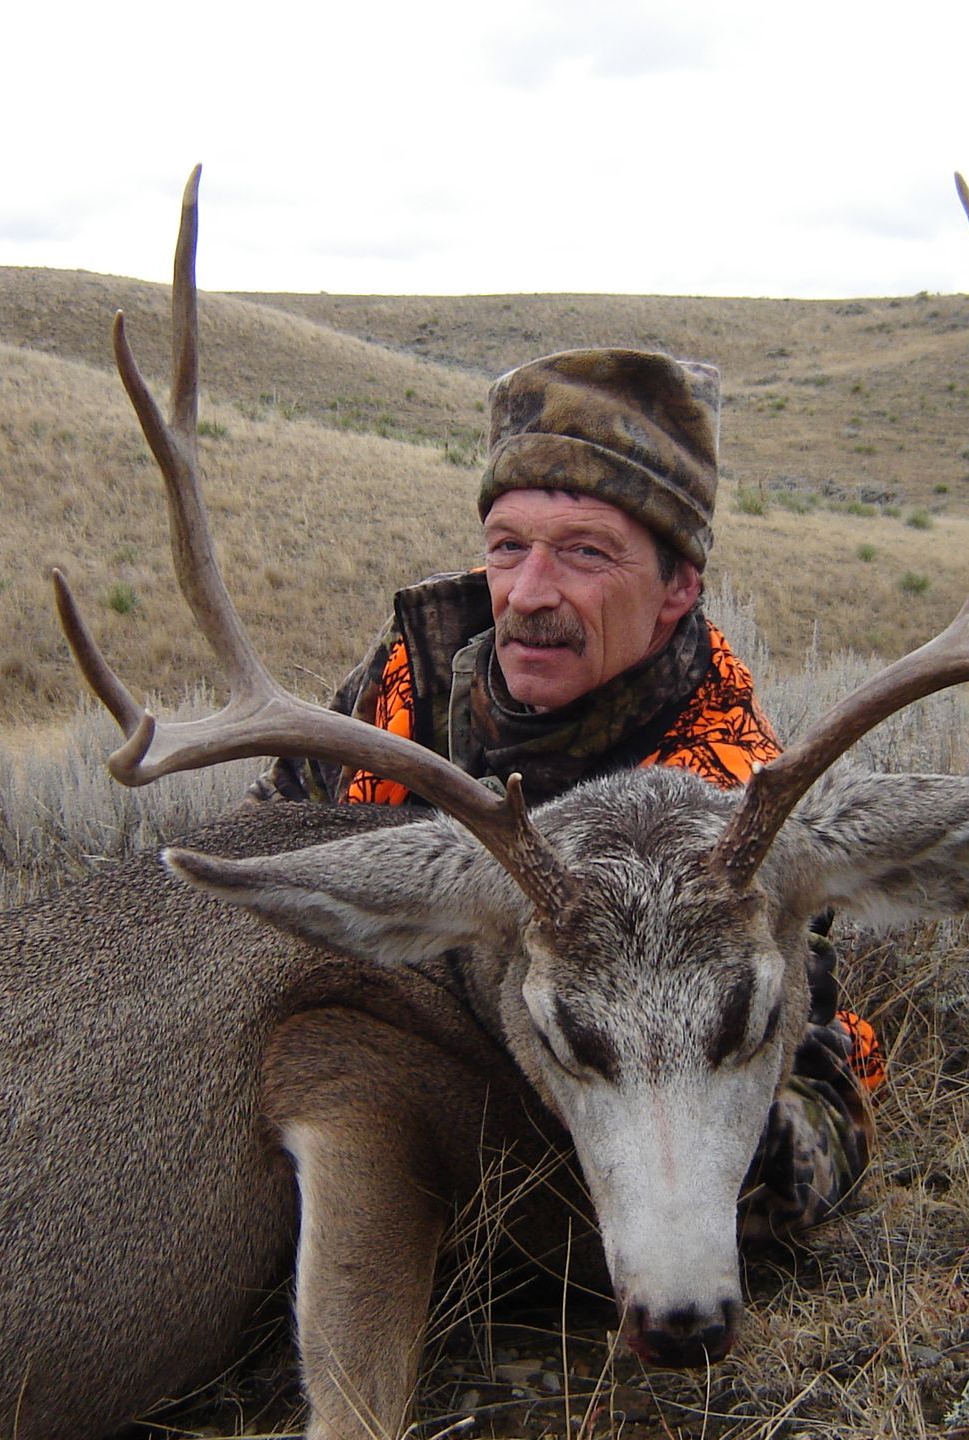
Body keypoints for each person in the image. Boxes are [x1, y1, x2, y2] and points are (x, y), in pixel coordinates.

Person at [250, 347, 883, 1238]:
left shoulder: (732, 792)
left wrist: (713, 1155)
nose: (528, 594)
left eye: (587, 552)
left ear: (678, 587)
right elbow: (262, 855)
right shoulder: (407, 677)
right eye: (508, 547)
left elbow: (814, 1082)